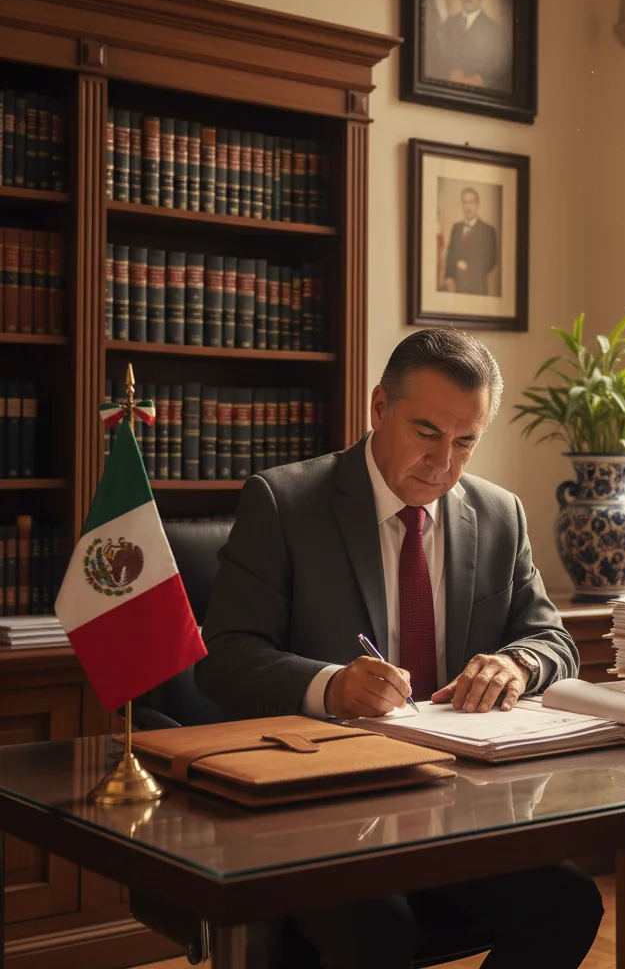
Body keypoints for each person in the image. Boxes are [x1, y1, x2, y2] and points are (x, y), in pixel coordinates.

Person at [196, 328, 603, 969]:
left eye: (465, 441)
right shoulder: (285, 504)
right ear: (379, 408)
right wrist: (330, 684)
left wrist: (518, 663)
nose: (444, 462)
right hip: (323, 808)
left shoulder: (501, 515)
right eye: (426, 432)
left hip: (459, 803)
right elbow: (224, 657)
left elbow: (554, 640)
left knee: (571, 903)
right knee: (378, 930)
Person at [436, 0, 511, 91]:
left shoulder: (494, 31)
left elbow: (503, 73)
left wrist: (481, 80)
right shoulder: (449, 24)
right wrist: (448, 73)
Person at [443, 186, 497, 295]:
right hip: (455, 289)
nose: (468, 207)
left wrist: (468, 268)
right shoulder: (456, 228)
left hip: (477, 289)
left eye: (471, 202)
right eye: (465, 202)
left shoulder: (488, 231)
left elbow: (490, 261)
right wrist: (449, 277)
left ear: (478, 205)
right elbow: (450, 255)